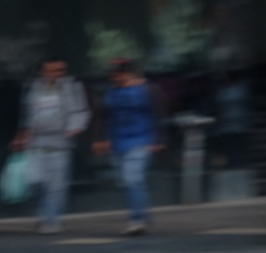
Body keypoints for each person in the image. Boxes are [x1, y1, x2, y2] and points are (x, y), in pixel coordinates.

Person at [11, 57, 90, 234]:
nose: (56, 75)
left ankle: (52, 219)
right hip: (37, 141)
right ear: (43, 72)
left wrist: (74, 128)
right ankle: (44, 211)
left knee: (57, 186)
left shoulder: (72, 87)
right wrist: (22, 135)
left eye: (60, 71)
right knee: (36, 180)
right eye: (51, 71)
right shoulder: (34, 88)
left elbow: (81, 111)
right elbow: (27, 114)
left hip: (60, 142)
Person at [92, 59, 165, 235]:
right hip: (118, 142)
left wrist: (160, 139)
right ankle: (142, 212)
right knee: (127, 181)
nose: (117, 79)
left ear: (130, 74)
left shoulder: (147, 90)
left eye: (121, 75)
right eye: (115, 76)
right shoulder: (111, 93)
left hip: (141, 140)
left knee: (134, 179)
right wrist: (99, 138)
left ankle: (137, 220)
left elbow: (159, 113)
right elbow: (102, 116)